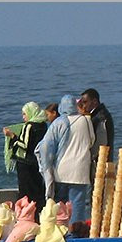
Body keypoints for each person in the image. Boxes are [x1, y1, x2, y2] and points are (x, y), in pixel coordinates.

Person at [35, 94, 95, 223]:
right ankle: (77, 232)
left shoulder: (58, 122)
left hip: (61, 169)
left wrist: (47, 165)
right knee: (78, 203)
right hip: (80, 169)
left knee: (60, 204)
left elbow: (47, 145)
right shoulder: (86, 120)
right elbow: (91, 141)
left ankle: (60, 230)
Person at [3, 101, 48, 213]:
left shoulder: (29, 126)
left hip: (26, 164)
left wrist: (12, 136)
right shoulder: (43, 125)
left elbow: (24, 145)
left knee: (26, 192)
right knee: (37, 191)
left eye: (24, 114)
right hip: (38, 162)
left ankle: (26, 216)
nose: (23, 117)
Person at [79, 88, 115, 179]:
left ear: (94, 101)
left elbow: (101, 141)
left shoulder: (101, 117)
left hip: (100, 160)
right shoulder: (97, 115)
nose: (83, 105)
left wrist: (91, 157)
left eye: (85, 102)